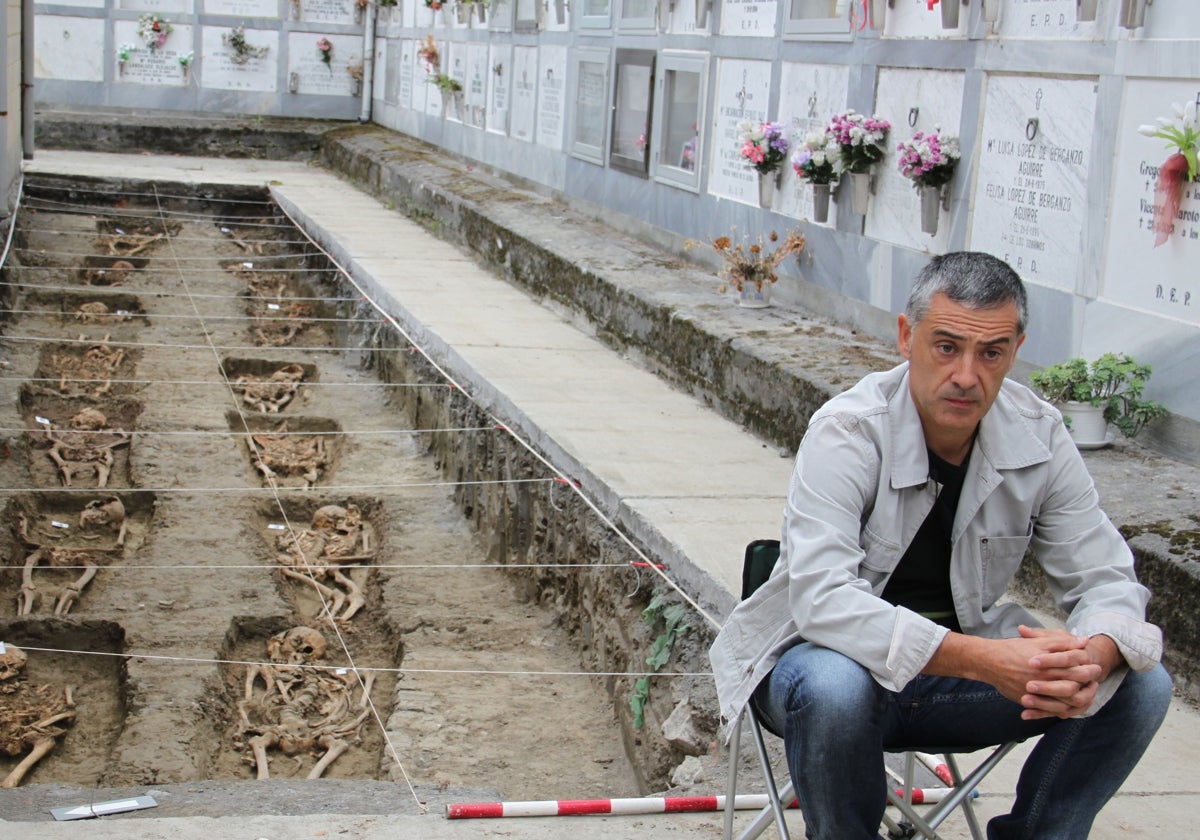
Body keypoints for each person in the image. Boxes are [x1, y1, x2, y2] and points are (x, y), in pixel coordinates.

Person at [709, 252, 1172, 840]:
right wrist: (986, 661)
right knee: (834, 687)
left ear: (1016, 351)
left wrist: (1098, 653)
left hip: (965, 682)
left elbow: (1105, 575)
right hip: (827, 673)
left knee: (1139, 681)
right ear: (907, 337)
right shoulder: (848, 431)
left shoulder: (1040, 434)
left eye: (992, 353)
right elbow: (822, 602)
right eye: (947, 347)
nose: (966, 376)